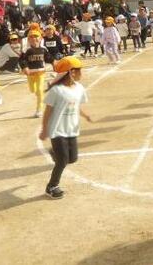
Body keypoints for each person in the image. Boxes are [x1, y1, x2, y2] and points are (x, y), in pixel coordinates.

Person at [39, 56, 92, 199]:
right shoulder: (56, 91)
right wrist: (44, 129)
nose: (81, 73)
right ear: (71, 72)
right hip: (57, 129)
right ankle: (52, 186)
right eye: (79, 70)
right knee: (62, 161)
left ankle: (54, 152)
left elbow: (76, 106)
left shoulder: (79, 88)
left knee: (72, 158)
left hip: (71, 129)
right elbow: (48, 111)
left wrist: (85, 115)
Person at [19, 30, 50, 118]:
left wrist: (54, 62)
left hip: (40, 72)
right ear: (28, 39)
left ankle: (39, 110)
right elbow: (22, 60)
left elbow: (48, 58)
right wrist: (25, 67)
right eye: (31, 37)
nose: (34, 39)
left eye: (36, 36)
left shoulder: (44, 49)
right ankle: (40, 94)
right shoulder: (26, 50)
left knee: (39, 90)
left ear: (40, 38)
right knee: (33, 90)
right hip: (30, 73)